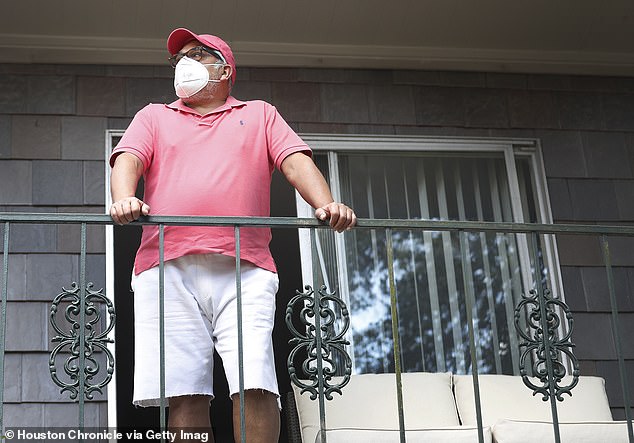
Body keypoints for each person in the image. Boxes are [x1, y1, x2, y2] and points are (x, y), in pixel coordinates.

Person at [108, 27, 356, 442]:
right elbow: (127, 160)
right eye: (179, 58)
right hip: (166, 267)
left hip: (246, 267)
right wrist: (122, 199)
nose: (184, 63)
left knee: (255, 381)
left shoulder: (260, 114)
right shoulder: (154, 116)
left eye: (197, 55)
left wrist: (325, 203)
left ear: (224, 70)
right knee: (185, 392)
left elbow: (294, 161)